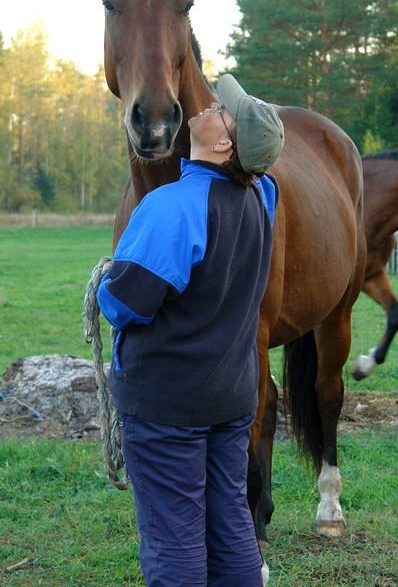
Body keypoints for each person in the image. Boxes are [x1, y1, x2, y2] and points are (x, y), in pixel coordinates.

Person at [97, 74, 284, 587]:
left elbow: (124, 303)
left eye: (222, 111)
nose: (208, 106)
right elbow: (259, 174)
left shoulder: (172, 208)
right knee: (231, 527)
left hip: (167, 408)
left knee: (174, 538)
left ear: (224, 144)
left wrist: (106, 283)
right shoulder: (261, 197)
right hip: (230, 399)